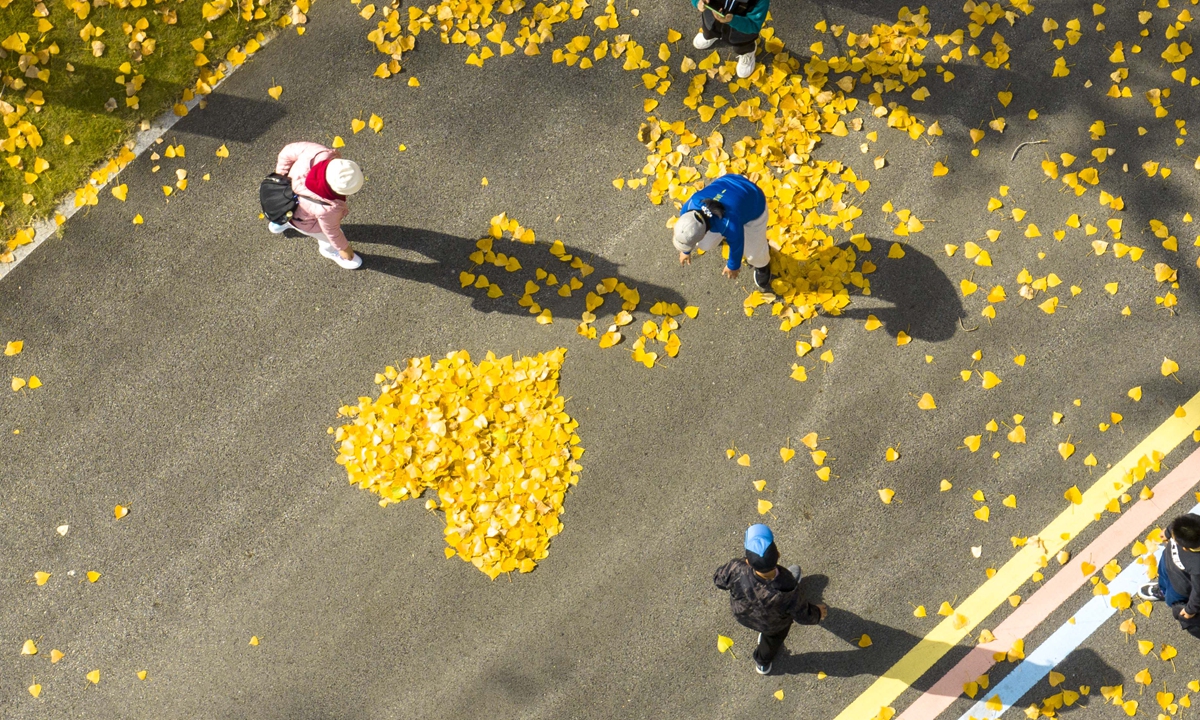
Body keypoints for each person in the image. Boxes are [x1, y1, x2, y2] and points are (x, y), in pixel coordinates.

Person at [714, 524, 827, 675]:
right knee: (772, 639)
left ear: (747, 561)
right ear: (778, 554)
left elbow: (719, 580)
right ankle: (762, 661)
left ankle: (763, 665)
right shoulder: (787, 588)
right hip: (773, 624)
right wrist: (817, 613)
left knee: (767, 633)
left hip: (742, 614)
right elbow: (801, 613)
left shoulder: (736, 568)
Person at [269, 141, 364, 270]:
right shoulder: (328, 208)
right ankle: (330, 251)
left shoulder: (316, 153)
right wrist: (344, 248)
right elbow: (331, 231)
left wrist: (281, 177)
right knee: (326, 236)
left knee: (285, 211)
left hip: (281, 200)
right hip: (305, 222)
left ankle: (279, 221)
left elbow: (287, 151)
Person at [673, 173, 773, 290]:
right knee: (704, 244)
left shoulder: (729, 225)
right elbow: (688, 231)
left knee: (753, 252)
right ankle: (725, 235)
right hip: (728, 183)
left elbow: (737, 245)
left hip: (753, 202)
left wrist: (733, 266)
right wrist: (686, 251)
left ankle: (762, 265)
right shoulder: (690, 205)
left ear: (704, 233)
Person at [1139, 513, 1200, 638]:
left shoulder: (1197, 567)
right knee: (1162, 576)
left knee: (1171, 598)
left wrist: (1190, 610)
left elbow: (1198, 592)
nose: (1172, 536)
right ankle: (1162, 589)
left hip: (1180, 586)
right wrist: (1168, 531)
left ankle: (1165, 594)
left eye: (1173, 537)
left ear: (1185, 548)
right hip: (1168, 562)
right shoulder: (1193, 522)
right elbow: (1180, 523)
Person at [689, 0, 770, 79]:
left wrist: (733, 20)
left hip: (741, 32)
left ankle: (747, 52)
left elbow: (754, 25)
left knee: (743, 46)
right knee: (709, 31)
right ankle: (710, 36)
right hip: (711, 21)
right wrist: (697, 2)